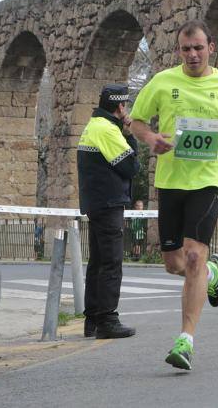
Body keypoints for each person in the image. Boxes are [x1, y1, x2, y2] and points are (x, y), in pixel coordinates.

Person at [129, 19, 218, 370]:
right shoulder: (163, 81)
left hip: (208, 178)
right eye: (186, 49)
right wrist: (151, 138)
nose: (192, 54)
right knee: (174, 263)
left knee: (192, 257)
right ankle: (212, 274)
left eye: (198, 48)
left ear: (211, 48)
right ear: (179, 51)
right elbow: (136, 120)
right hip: (171, 180)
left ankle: (185, 340)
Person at [77, 83, 139, 339]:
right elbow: (131, 167)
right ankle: (108, 320)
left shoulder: (94, 125)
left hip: (96, 202)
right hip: (109, 202)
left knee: (98, 262)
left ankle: (92, 320)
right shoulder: (107, 130)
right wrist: (130, 134)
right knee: (111, 263)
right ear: (121, 106)